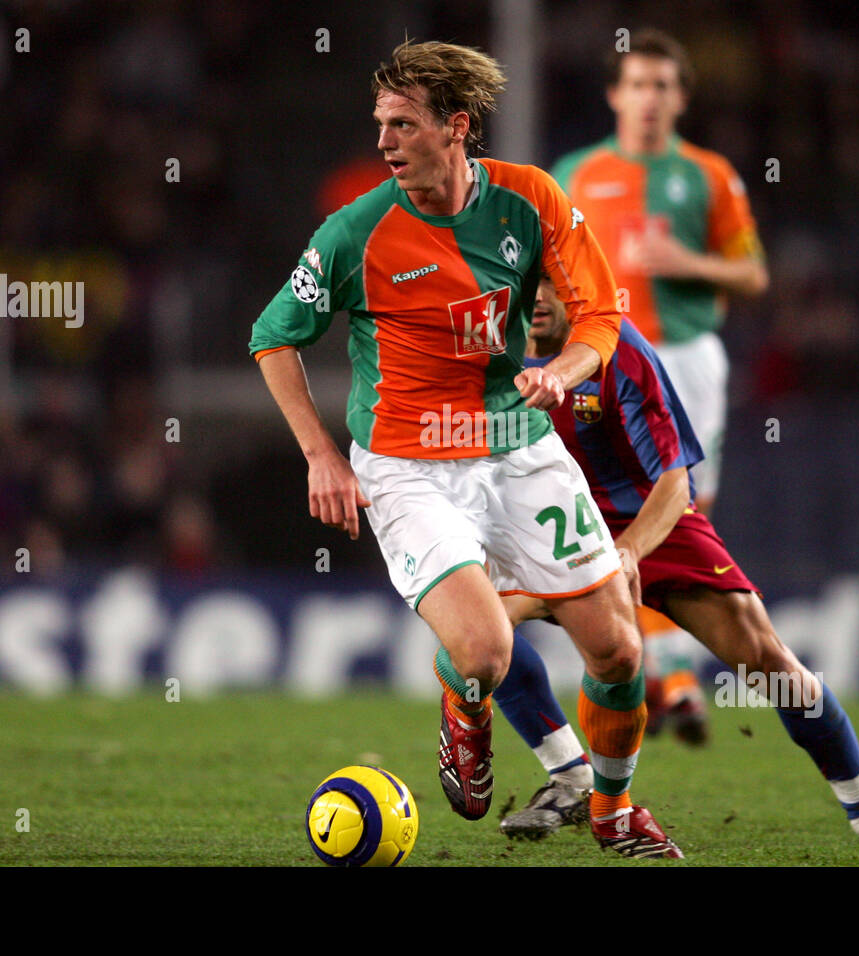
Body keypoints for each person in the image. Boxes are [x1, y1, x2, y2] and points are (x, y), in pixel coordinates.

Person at [249, 40, 680, 858]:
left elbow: (600, 312)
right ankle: (465, 703)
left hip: (519, 448)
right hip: (408, 467)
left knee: (620, 649)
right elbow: (274, 337)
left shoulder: (531, 201)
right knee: (485, 647)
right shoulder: (356, 233)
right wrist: (321, 455)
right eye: (379, 124)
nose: (383, 143)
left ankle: (613, 809)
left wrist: (565, 369)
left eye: (402, 125)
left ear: (457, 126)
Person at [494, 275, 859, 849]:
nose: (540, 299)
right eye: (529, 286)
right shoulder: (488, 355)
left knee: (767, 659)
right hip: (558, 525)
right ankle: (569, 777)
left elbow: (675, 483)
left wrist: (628, 552)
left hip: (649, 519)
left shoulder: (619, 348)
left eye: (554, 286)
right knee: (482, 630)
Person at [551, 27, 769, 729]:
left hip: (687, 358)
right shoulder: (574, 173)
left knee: (682, 511)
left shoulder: (709, 175)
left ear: (680, 99)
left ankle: (667, 673)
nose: (649, 98)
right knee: (602, 510)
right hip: (602, 360)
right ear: (617, 94)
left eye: (663, 86)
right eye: (638, 84)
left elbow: (754, 273)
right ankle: (655, 671)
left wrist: (689, 263)